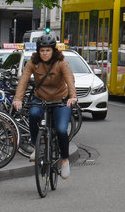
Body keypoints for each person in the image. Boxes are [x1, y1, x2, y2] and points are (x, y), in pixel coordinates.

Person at [12, 34, 78, 179]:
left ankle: (65, 160)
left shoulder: (61, 62)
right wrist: (18, 99)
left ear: (53, 51)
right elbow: (23, 79)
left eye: (47, 50)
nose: (45, 53)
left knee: (61, 130)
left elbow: (70, 79)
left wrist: (72, 96)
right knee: (34, 114)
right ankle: (36, 147)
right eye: (42, 51)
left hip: (60, 99)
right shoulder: (33, 62)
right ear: (38, 51)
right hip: (40, 98)